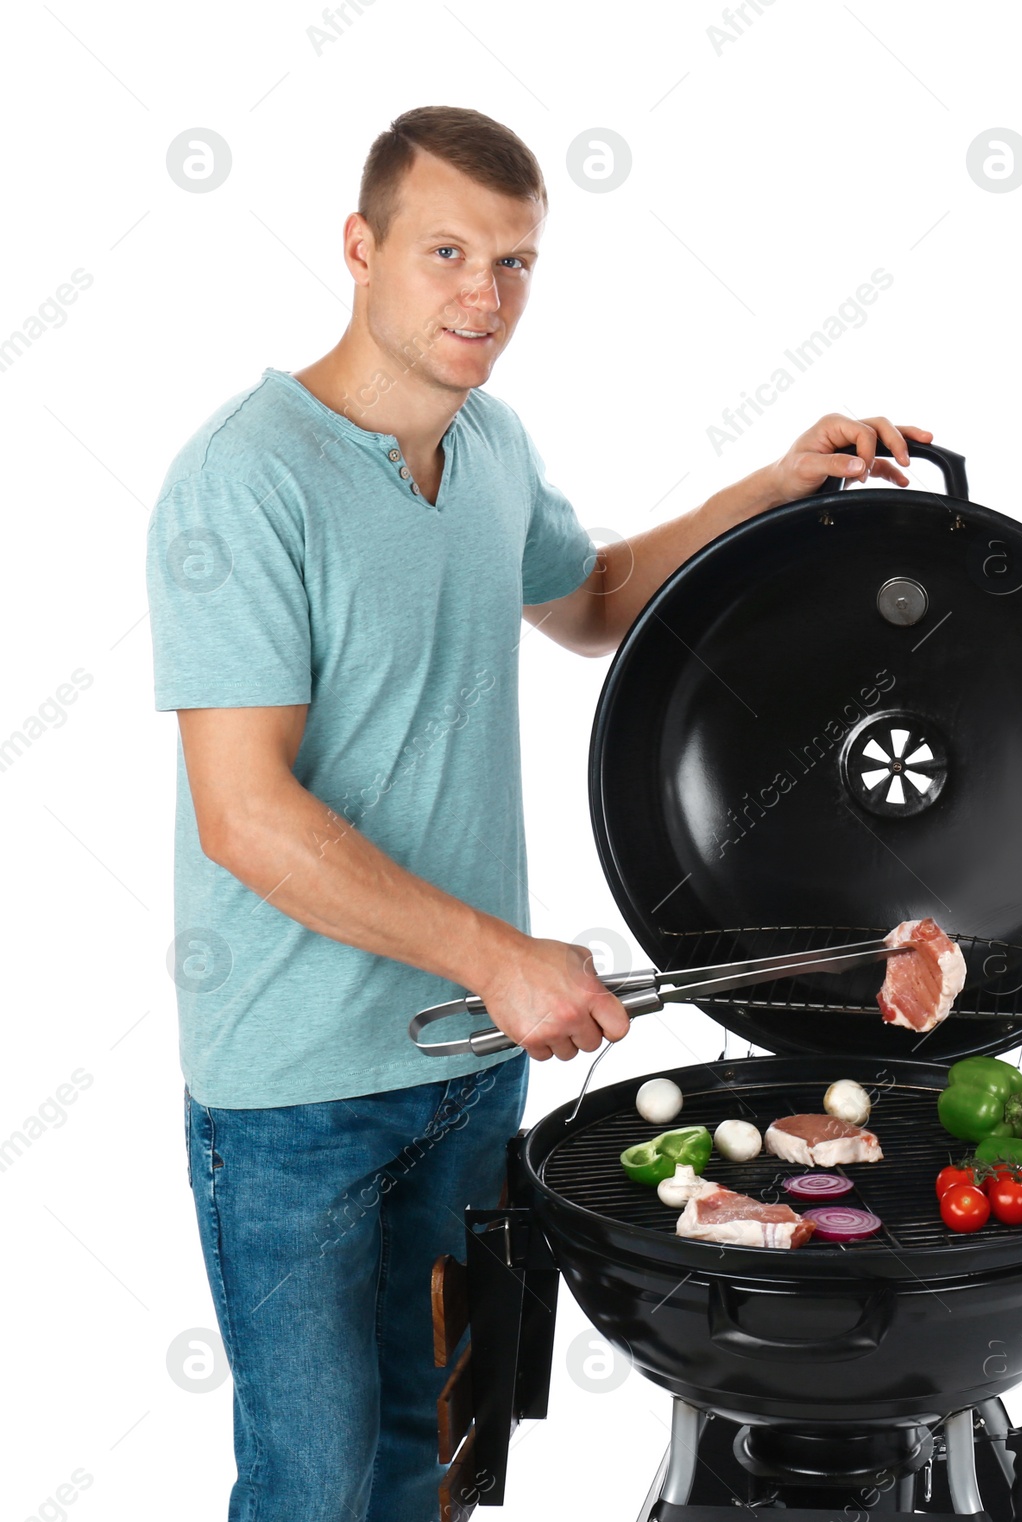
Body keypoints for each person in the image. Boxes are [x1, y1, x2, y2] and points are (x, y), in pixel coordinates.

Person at [145, 104, 931, 1521]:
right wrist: (501, 958)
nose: (482, 294)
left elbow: (600, 600)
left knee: (437, 1461)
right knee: (317, 1487)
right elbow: (243, 815)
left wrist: (776, 484)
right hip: (294, 1094)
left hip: (465, 1073)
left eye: (514, 262)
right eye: (447, 250)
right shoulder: (245, 477)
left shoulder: (491, 445)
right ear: (359, 247)